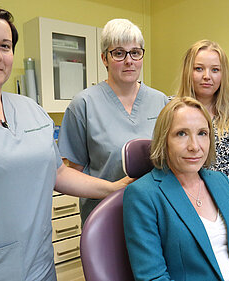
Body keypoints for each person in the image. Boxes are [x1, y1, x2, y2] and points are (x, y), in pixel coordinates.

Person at [0, 4, 132, 280]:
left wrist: (114, 188)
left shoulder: (31, 109)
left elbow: (58, 172)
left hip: (39, 269)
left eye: (5, 46)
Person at [123, 97, 229, 281]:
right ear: (164, 140)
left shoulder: (220, 181)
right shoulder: (143, 195)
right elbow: (153, 277)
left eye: (202, 133)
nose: (195, 146)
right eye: (181, 134)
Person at [58, 18, 168, 224]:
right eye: (119, 53)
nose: (129, 61)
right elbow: (72, 175)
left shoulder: (160, 101)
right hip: (105, 217)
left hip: (154, 215)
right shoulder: (84, 104)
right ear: (104, 58)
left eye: (135, 52)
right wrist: (115, 188)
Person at [177, 40, 229, 212]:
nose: (207, 76)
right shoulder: (174, 109)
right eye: (199, 69)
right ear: (189, 71)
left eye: (215, 70)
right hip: (189, 203)